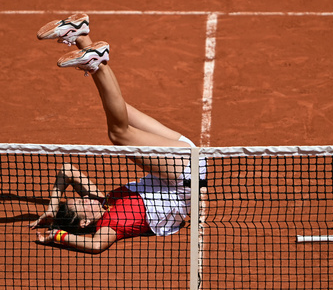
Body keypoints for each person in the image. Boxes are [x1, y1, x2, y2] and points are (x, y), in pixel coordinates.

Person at [29, 14, 206, 253]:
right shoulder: (110, 224)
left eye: (80, 198)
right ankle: (92, 59)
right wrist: (58, 236)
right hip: (185, 178)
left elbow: (67, 171)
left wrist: (52, 207)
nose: (85, 198)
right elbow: (95, 245)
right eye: (82, 204)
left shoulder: (102, 201)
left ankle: (81, 35)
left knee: (119, 109)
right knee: (118, 134)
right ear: (85, 222)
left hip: (179, 159)